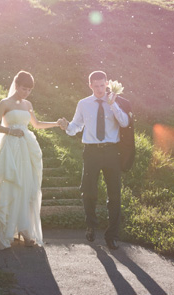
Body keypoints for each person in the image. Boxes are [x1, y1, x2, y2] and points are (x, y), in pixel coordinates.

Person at [0, 71, 65, 250]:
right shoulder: (5, 103)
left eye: (29, 90)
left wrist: (56, 124)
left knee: (27, 185)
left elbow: (36, 124)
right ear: (16, 85)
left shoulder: (28, 104)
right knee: (11, 184)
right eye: (23, 88)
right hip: (11, 146)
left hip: (27, 147)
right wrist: (10, 131)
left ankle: (26, 231)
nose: (26, 92)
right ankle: (6, 231)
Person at [59, 70, 129, 250]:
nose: (99, 89)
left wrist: (113, 105)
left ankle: (112, 235)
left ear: (107, 84)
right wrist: (67, 127)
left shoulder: (116, 101)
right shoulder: (83, 104)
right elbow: (76, 126)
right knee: (88, 191)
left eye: (102, 85)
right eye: (96, 86)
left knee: (114, 195)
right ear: (90, 85)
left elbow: (125, 123)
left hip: (112, 152)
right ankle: (91, 224)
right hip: (91, 153)